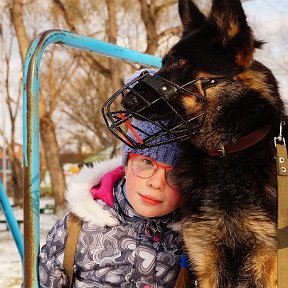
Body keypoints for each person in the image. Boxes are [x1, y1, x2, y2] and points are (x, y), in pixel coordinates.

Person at [39, 116, 183, 287]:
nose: (157, 183)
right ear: (126, 164)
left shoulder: (195, 239)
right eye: (147, 162)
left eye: (175, 173)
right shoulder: (75, 231)